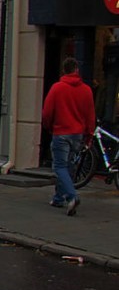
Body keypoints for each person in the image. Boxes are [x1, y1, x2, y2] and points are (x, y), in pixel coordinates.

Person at [41, 57, 96, 216]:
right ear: (76, 70)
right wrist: (89, 134)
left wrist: (49, 127)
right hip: (77, 134)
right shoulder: (86, 90)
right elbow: (90, 115)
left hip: (61, 132)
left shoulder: (57, 88)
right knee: (69, 166)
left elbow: (47, 113)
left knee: (59, 166)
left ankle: (72, 196)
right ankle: (59, 198)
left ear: (64, 71)